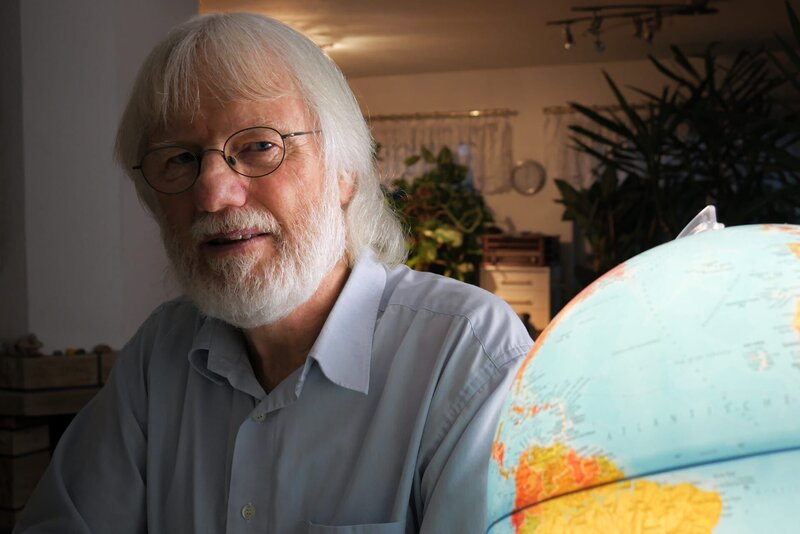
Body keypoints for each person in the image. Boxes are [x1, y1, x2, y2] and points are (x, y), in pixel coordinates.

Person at [14, 13, 532, 534]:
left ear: (345, 172)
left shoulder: (467, 353)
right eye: (181, 158)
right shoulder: (160, 353)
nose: (212, 194)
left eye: (260, 146)